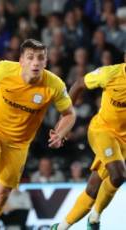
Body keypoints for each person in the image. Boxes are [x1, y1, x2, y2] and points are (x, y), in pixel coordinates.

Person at [0, 39, 76, 230]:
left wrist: (61, 133)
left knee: (2, 195)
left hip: (19, 143)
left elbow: (69, 114)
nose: (35, 62)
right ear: (21, 60)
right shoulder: (4, 70)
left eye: (40, 58)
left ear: (46, 62)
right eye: (30, 57)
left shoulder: (54, 85)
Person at [51, 53, 126, 230]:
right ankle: (95, 218)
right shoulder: (110, 74)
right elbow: (78, 85)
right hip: (102, 131)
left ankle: (61, 227)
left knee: (93, 188)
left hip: (123, 141)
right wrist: (65, 120)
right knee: (119, 174)